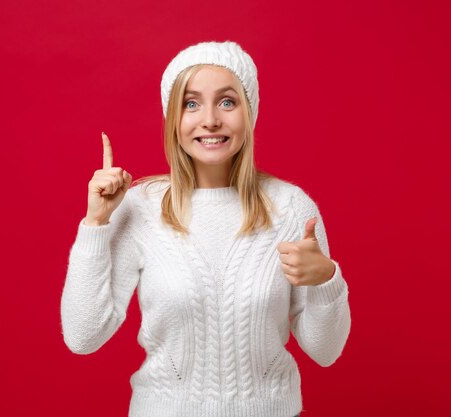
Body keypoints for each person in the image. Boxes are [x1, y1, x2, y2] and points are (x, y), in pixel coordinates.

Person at [60, 40, 351, 417]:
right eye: (191, 103)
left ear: (249, 113)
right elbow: (83, 337)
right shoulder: (140, 206)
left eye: (227, 102)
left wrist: (326, 280)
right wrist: (96, 224)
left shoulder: (292, 208)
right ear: (173, 118)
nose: (210, 119)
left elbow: (325, 352)